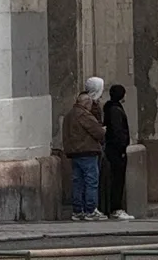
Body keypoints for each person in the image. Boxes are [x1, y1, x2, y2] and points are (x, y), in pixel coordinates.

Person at [61, 77, 107, 221]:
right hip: (87, 151)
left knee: (77, 182)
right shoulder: (84, 114)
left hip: (74, 153)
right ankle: (90, 210)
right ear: (86, 103)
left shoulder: (69, 115)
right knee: (91, 181)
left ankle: (77, 210)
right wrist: (104, 130)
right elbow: (98, 132)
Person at [102, 84, 135, 220]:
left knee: (115, 179)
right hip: (116, 150)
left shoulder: (111, 108)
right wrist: (122, 147)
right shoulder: (115, 110)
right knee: (117, 180)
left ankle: (114, 207)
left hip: (113, 148)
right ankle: (116, 208)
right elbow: (117, 131)